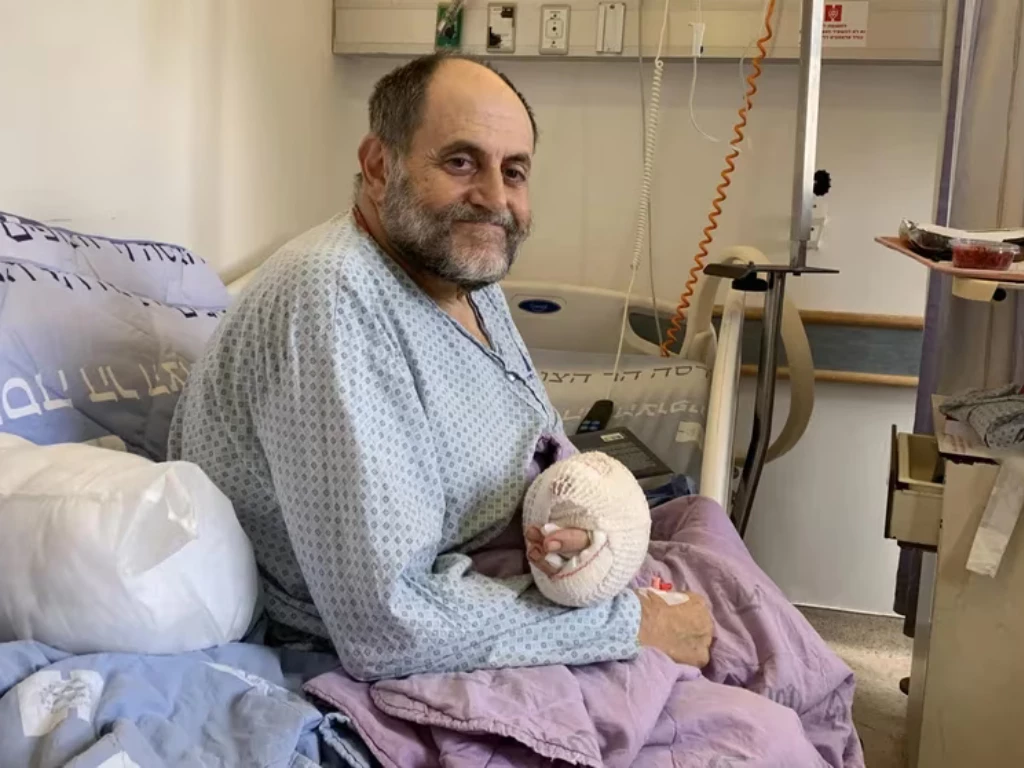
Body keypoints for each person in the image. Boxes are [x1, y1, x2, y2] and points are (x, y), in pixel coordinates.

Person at [168, 53, 712, 682]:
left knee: (718, 562)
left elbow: (532, 444)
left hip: (521, 579)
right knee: (737, 716)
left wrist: (587, 527)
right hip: (395, 644)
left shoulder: (462, 278)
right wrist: (629, 625)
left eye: (514, 172)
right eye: (460, 162)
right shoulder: (332, 299)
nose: (495, 199)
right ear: (379, 166)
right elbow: (387, 625)